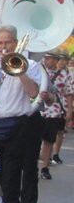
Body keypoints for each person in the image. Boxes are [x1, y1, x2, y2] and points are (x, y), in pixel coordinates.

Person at [0, 25, 45, 203]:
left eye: (8, 42)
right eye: (0, 43)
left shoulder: (29, 65)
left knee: (11, 177)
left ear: (16, 42)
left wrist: (19, 71)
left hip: (18, 124)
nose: (4, 47)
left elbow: (33, 94)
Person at [37, 51, 67, 181]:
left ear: (56, 60)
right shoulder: (37, 70)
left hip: (54, 110)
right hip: (37, 110)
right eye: (45, 58)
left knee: (49, 140)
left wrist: (69, 111)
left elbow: (69, 93)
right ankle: (33, 165)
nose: (46, 61)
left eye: (49, 59)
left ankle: (44, 168)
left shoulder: (65, 74)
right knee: (36, 139)